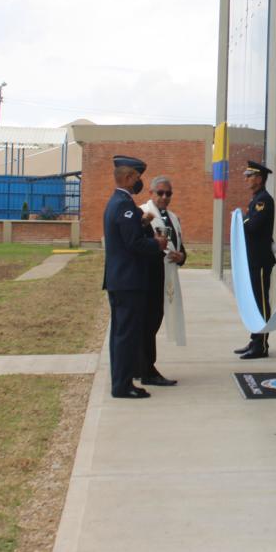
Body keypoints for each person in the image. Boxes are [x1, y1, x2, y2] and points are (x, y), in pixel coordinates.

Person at [101, 155, 169, 400]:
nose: (140, 183)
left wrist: (143, 223)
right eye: (138, 178)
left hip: (122, 280)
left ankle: (122, 381)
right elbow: (133, 244)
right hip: (128, 281)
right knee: (125, 335)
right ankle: (122, 385)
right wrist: (157, 243)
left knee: (122, 333)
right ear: (129, 177)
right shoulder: (122, 204)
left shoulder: (119, 202)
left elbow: (127, 234)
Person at [138, 175, 187, 386]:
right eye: (160, 193)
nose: (165, 197)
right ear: (151, 193)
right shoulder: (142, 213)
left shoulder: (173, 218)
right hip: (148, 277)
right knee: (146, 324)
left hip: (167, 276)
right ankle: (147, 369)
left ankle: (141, 366)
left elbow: (180, 247)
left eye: (168, 194)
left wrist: (182, 257)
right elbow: (136, 244)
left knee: (154, 322)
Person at [234, 159, 276, 359]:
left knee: (260, 302)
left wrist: (241, 217)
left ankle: (262, 345)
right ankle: (254, 340)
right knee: (254, 301)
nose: (246, 179)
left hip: (260, 260)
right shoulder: (256, 199)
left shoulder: (263, 201)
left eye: (249, 176)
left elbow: (252, 226)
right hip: (253, 259)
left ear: (259, 178)